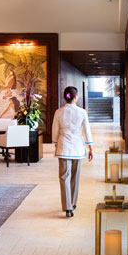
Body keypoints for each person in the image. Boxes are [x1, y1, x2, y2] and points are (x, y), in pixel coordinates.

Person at [53, 85, 93, 217]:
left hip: (63, 147)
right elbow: (87, 130)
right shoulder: (82, 112)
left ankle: (68, 207)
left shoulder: (58, 112)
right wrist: (90, 147)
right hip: (78, 148)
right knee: (75, 177)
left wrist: (55, 143)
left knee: (64, 177)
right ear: (75, 97)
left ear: (65, 97)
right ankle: (73, 203)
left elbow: (55, 130)